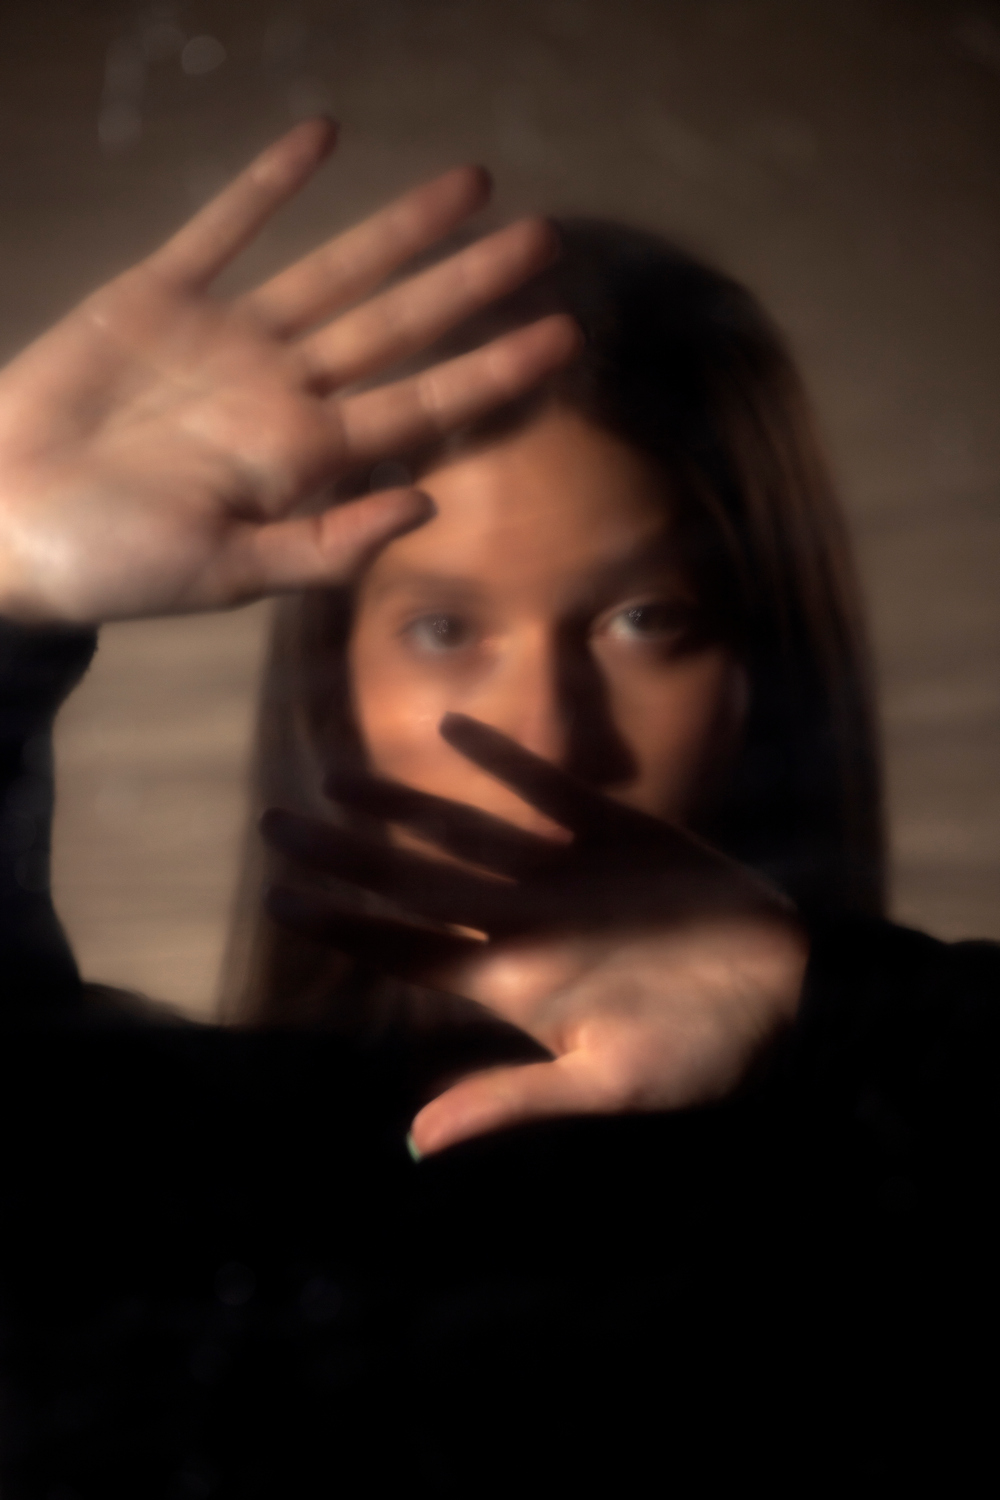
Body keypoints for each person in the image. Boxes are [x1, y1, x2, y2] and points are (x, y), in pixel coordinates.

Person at [0, 119, 996, 1493]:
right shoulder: (159, 1184)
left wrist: (817, 1002)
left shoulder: (914, 1205)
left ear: (763, 668)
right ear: (330, 678)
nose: (543, 731)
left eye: (647, 619)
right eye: (443, 626)